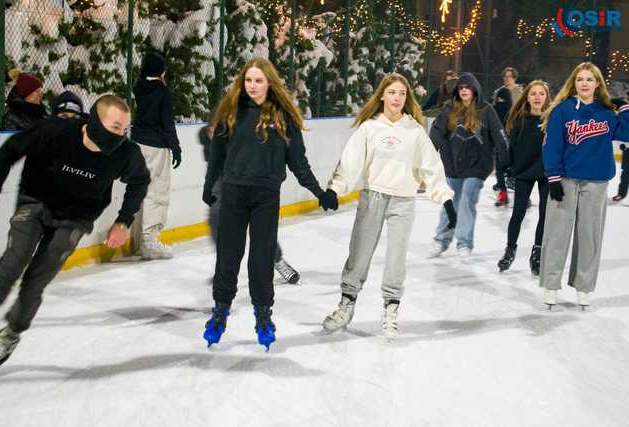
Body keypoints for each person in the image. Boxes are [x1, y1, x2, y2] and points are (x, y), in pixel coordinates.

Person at [0, 94, 150, 371]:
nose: (121, 136)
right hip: (36, 202)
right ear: (96, 122)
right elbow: (10, 150)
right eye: (115, 128)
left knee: (36, 280)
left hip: (76, 218)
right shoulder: (54, 132)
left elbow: (140, 181)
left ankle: (11, 333)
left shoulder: (126, 153)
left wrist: (123, 221)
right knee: (13, 263)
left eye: (125, 130)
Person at [201, 58, 338, 350]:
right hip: (234, 193)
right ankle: (220, 312)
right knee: (228, 258)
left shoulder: (283, 117)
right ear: (242, 82)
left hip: (265, 196)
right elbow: (217, 155)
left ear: (269, 83)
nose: (252, 86)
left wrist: (319, 192)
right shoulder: (231, 112)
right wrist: (208, 186)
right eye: (248, 80)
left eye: (258, 81)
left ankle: (263, 316)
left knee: (261, 261)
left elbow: (298, 161)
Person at [321, 73, 456, 339]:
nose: (397, 98)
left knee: (396, 259)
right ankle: (346, 305)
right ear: (382, 95)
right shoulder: (370, 128)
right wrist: (335, 188)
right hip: (373, 197)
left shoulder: (414, 131)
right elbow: (350, 163)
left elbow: (431, 168)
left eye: (402, 94)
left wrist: (445, 197)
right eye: (392, 92)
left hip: (403, 200)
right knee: (359, 254)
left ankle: (390, 309)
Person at [540, 62, 629, 309]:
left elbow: (627, 133)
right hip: (566, 181)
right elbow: (552, 145)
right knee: (556, 235)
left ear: (598, 83)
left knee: (590, 237)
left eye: (590, 79)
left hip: (597, 182)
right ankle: (550, 285)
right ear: (574, 83)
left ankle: (584, 287)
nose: (585, 83)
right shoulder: (563, 111)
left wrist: (625, 109)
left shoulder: (607, 113)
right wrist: (554, 178)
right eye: (580, 79)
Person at [199, 123, 300, 284]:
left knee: (258, 223)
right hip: (223, 179)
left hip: (247, 177)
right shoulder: (212, 129)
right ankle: (224, 267)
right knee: (216, 218)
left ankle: (277, 260)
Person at [428, 72, 509, 258]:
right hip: (453, 165)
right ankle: (441, 240)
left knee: (466, 200)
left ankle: (464, 242)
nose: (464, 90)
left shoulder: (486, 110)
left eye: (468, 87)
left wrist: (507, 160)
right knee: (451, 202)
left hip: (478, 166)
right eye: (461, 88)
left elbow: (499, 135)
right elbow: (437, 132)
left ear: (475, 90)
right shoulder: (449, 109)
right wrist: (431, 154)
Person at [496, 80, 552, 275]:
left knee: (545, 215)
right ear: (527, 97)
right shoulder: (519, 120)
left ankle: (537, 252)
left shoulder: (552, 120)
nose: (537, 97)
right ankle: (510, 249)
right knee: (517, 213)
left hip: (547, 173)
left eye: (541, 93)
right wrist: (508, 171)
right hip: (524, 173)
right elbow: (511, 149)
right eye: (533, 93)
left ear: (547, 97)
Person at [131, 52, 182, 260]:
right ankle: (149, 241)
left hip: (137, 144)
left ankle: (137, 241)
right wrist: (176, 148)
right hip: (156, 147)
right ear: (161, 71)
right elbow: (167, 124)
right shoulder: (163, 93)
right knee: (157, 191)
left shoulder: (139, 88)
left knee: (139, 190)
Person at [492, 67, 524, 206]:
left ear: (514, 77)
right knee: (499, 161)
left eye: (510, 76)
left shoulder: (520, 92)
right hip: (501, 130)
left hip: (515, 130)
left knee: (517, 162)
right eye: (505, 76)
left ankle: (523, 194)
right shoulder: (498, 92)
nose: (507, 78)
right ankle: (503, 193)